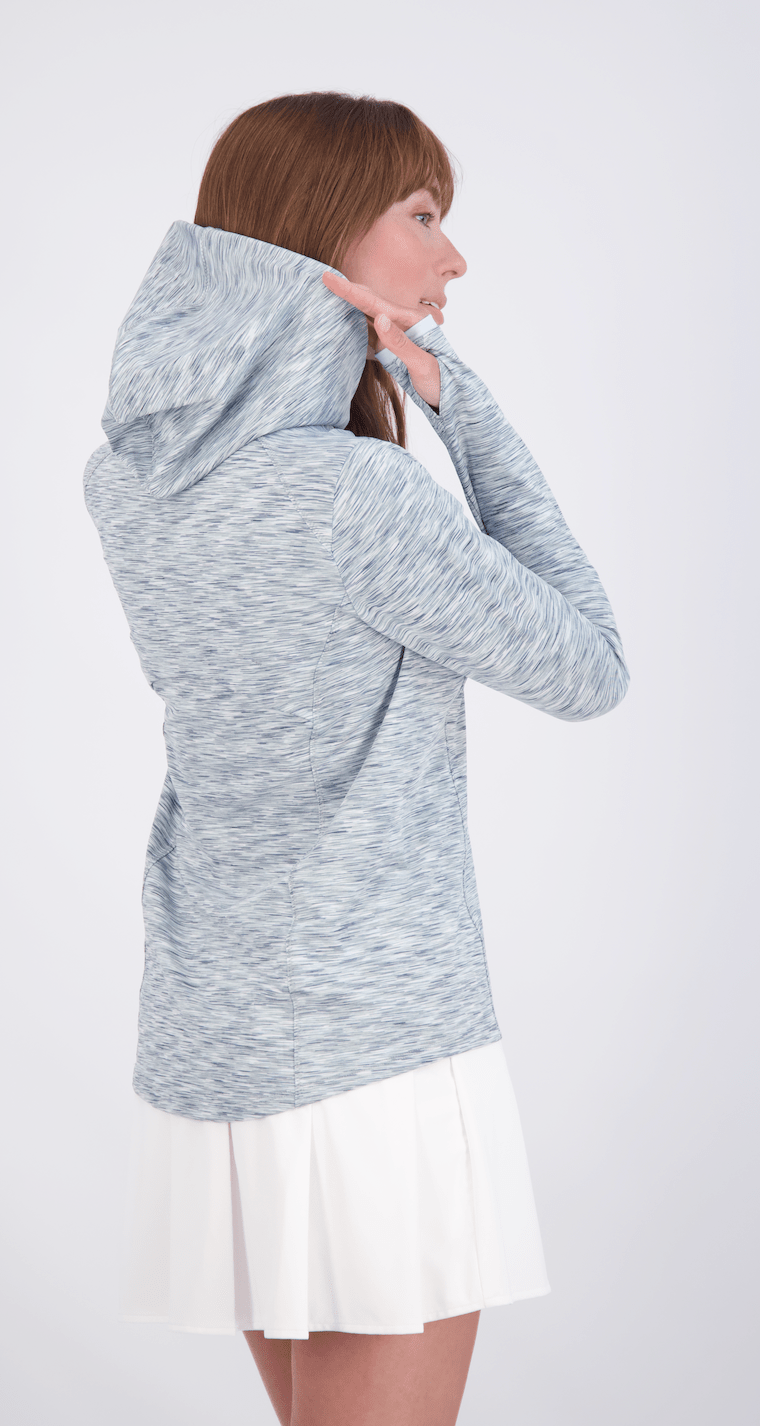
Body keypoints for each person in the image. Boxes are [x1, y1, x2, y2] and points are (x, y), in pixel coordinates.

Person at [84, 92, 628, 1426]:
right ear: (323, 232)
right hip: (375, 1056)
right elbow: (588, 666)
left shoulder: (134, 485)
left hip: (218, 1043)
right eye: (424, 216)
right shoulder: (356, 496)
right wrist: (461, 409)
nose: (454, 259)